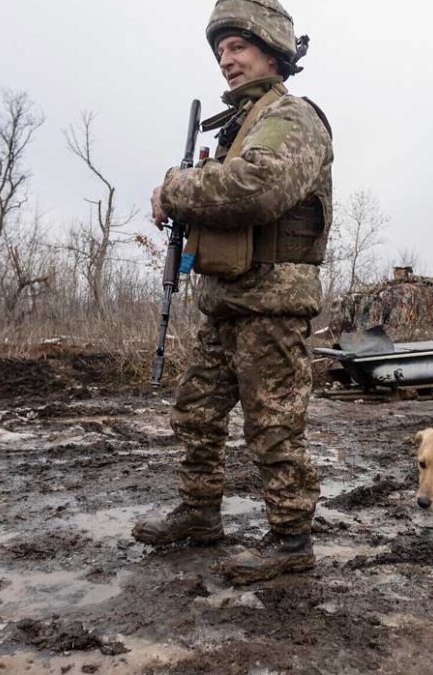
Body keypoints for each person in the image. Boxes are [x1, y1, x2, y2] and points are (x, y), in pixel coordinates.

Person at [133, 0, 333, 585]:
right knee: (196, 413)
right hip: (226, 302)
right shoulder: (239, 127)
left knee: (274, 424)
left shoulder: (293, 118)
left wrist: (175, 189)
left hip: (271, 305)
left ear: (272, 49)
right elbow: (224, 197)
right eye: (221, 50)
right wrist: (188, 201)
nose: (227, 59)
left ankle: (292, 538)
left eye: (238, 47)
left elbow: (257, 188)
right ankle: (199, 514)